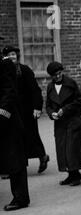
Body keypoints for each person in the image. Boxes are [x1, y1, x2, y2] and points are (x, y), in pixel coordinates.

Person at [2, 46, 49, 174]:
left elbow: (35, 90)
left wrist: (37, 108)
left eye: (13, 54)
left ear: (17, 55)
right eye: (8, 55)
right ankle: (19, 165)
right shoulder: (4, 70)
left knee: (32, 136)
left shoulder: (24, 70)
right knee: (17, 139)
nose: (11, 57)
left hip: (27, 111)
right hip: (13, 110)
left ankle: (42, 156)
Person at [46, 62, 81, 186]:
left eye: (59, 73)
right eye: (55, 75)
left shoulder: (70, 83)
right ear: (51, 76)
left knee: (72, 148)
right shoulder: (50, 87)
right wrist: (52, 113)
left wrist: (64, 109)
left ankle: (76, 175)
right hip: (59, 123)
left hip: (73, 120)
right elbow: (48, 105)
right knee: (63, 149)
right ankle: (70, 174)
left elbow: (79, 100)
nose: (58, 76)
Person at [0, 41, 30, 211]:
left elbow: (9, 92)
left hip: (8, 121)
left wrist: (2, 113)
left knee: (15, 161)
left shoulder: (5, 65)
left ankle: (20, 198)